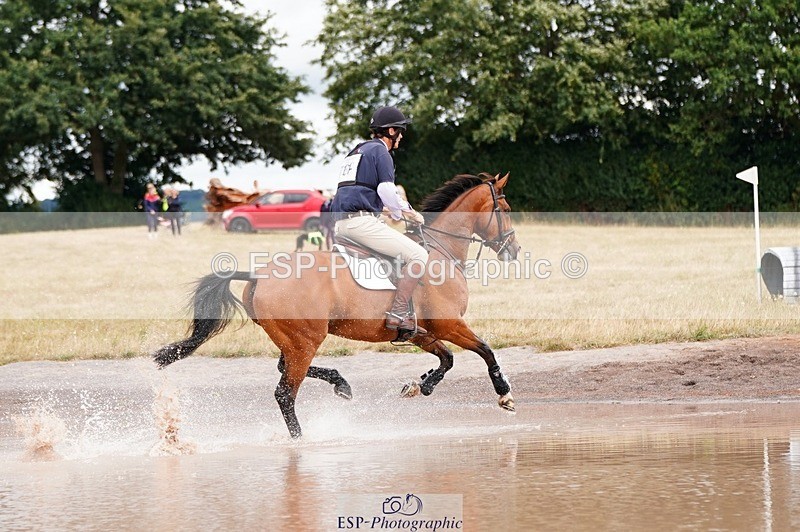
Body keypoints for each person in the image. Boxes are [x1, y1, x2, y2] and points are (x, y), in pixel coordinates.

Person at [330, 105, 428, 339]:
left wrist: (388, 210)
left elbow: (360, 192)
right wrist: (406, 212)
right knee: (419, 256)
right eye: (401, 132)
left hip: (341, 224)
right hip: (360, 225)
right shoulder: (381, 152)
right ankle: (399, 312)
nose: (402, 137)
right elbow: (386, 190)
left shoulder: (356, 151)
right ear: (391, 131)